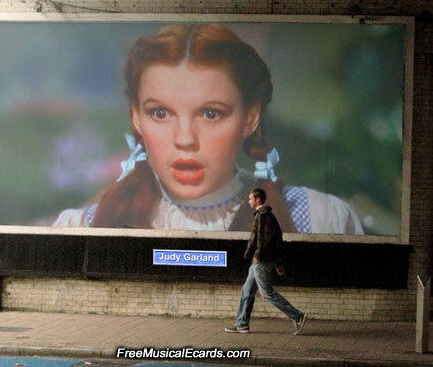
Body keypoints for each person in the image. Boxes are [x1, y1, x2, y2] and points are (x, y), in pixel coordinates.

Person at [53, 23, 363, 234]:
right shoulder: (85, 225)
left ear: (250, 117)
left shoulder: (320, 217)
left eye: (211, 113)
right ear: (136, 117)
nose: (185, 139)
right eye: (160, 113)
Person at [226, 188, 307, 335]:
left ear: (258, 199)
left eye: (251, 198)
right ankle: (242, 324)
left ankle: (297, 316)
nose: (249, 201)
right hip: (260, 261)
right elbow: (276, 240)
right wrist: (278, 264)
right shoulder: (266, 215)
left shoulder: (263, 216)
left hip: (261, 261)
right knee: (247, 291)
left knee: (266, 292)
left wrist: (257, 255)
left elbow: (266, 239)